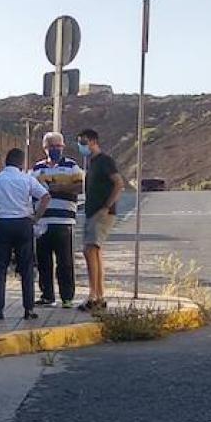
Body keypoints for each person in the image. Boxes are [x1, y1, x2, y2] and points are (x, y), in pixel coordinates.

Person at [0, 147, 49, 320]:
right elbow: (46, 197)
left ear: (6, 162)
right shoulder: (27, 179)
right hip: (23, 224)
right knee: (26, 268)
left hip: (2, 225)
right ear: (21, 163)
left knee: (0, 268)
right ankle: (29, 309)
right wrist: (35, 217)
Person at [32, 131, 83, 307]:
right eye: (51, 146)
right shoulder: (37, 168)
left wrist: (58, 187)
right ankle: (47, 295)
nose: (55, 149)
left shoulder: (71, 166)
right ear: (45, 148)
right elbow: (30, 190)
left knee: (65, 262)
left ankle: (67, 297)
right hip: (43, 222)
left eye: (58, 146)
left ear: (63, 147)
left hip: (64, 222)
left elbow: (80, 187)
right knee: (44, 261)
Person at [77, 128, 125, 311]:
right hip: (92, 211)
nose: (81, 146)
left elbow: (118, 183)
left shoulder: (104, 161)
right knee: (94, 252)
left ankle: (93, 295)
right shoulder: (92, 162)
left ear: (93, 141)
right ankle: (98, 295)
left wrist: (106, 207)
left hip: (100, 213)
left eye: (83, 142)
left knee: (90, 250)